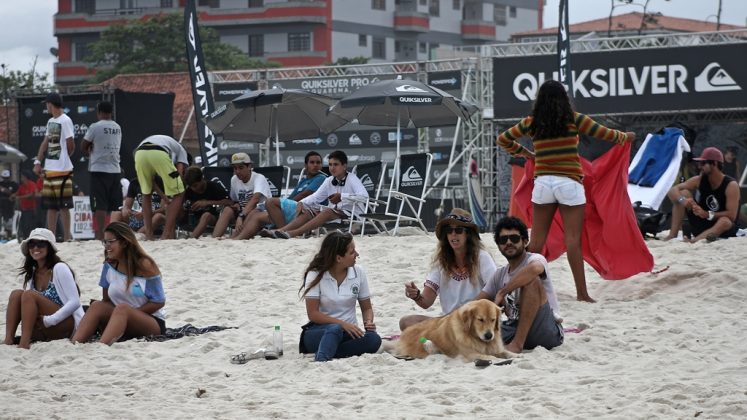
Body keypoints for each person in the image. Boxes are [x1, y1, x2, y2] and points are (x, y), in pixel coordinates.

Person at [495, 80, 635, 303]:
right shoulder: (575, 119)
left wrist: (525, 153)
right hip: (569, 184)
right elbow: (605, 134)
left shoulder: (532, 122)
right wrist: (625, 137)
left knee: (536, 243)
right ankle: (582, 293)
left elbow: (503, 139)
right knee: (573, 242)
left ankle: (515, 286)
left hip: (543, 185)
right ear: (564, 99)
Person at [475, 216, 563, 354]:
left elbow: (535, 269)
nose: (509, 242)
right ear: (498, 245)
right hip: (514, 327)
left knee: (532, 281)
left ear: (525, 241)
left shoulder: (535, 259)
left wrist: (503, 292)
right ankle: (428, 339)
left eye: (514, 238)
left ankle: (517, 344)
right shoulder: (499, 274)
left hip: (546, 329)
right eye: (503, 240)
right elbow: (476, 303)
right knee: (470, 336)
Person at [400, 208, 497, 330]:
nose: (453, 234)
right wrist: (416, 295)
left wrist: (464, 312)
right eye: (449, 230)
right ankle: (431, 343)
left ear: (468, 234)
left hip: (476, 320)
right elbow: (426, 302)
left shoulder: (482, 257)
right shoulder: (440, 262)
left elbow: (495, 290)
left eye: (458, 230)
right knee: (406, 322)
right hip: (449, 322)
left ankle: (432, 343)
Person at [72, 221, 167, 345]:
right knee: (97, 306)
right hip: (120, 317)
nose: (107, 246)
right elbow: (106, 299)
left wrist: (131, 314)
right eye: (105, 242)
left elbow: (158, 301)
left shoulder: (144, 265)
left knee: (122, 309)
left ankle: (102, 346)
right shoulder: (109, 265)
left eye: (110, 242)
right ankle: (75, 344)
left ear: (124, 242)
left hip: (150, 321)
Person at [298, 231, 381, 362]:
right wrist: (342, 324)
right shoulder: (315, 274)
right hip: (321, 331)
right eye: (352, 252)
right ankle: (322, 359)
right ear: (338, 258)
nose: (357, 255)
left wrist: (368, 322)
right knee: (335, 329)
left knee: (374, 339)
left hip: (349, 333)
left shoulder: (358, 272)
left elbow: (366, 308)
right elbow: (313, 314)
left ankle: (331, 352)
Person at [4, 228, 83, 349]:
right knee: (16, 294)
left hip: (66, 324)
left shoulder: (59, 268)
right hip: (44, 326)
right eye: (32, 244)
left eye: (41, 244)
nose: (35, 248)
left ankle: (24, 344)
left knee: (28, 295)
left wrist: (49, 320)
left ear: (49, 247)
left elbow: (75, 302)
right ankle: (8, 340)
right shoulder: (33, 272)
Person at [270, 150, 367, 239]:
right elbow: (316, 197)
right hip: (335, 214)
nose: (332, 168)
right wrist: (301, 203)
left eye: (335, 164)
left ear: (344, 166)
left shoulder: (352, 178)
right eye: (330, 165)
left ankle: (293, 233)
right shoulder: (329, 180)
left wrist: (342, 196)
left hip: (353, 215)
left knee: (327, 211)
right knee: (308, 211)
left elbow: (364, 197)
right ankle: (281, 231)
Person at [236, 151, 327, 240]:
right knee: (255, 213)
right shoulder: (303, 181)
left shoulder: (321, 178)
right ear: (306, 165)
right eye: (312, 162)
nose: (315, 165)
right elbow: (292, 197)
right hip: (294, 210)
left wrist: (283, 203)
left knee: (270, 201)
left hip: (306, 210)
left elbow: (305, 194)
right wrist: (283, 203)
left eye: (318, 163)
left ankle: (283, 232)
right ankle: (237, 238)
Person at [663, 147, 740, 242]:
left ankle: (694, 241)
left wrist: (707, 214)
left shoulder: (731, 185)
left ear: (714, 164)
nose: (700, 167)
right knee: (683, 193)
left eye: (703, 163)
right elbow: (672, 190)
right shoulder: (700, 179)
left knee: (725, 221)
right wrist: (684, 201)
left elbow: (732, 215)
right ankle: (672, 235)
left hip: (721, 226)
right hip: (702, 223)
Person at [34, 92, 76, 242]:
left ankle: (66, 238)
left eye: (47, 104)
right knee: (50, 206)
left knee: (64, 206)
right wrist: (38, 162)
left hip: (63, 169)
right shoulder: (51, 121)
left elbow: (71, 144)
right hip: (50, 169)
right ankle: (50, 238)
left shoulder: (66, 120)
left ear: (51, 104)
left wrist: (64, 158)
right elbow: (45, 142)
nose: (46, 107)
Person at [133, 134, 189, 240]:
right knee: (180, 193)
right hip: (158, 152)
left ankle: (149, 235)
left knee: (146, 193)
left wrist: (165, 198)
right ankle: (166, 234)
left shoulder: (165, 141)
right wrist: (174, 197)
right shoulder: (181, 150)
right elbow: (180, 174)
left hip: (139, 152)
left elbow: (152, 183)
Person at [81, 101, 123, 240]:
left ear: (99, 112)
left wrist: (89, 149)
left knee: (99, 205)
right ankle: (110, 234)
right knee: (112, 206)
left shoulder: (95, 126)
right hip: (115, 169)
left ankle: (99, 235)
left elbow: (83, 145)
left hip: (98, 169)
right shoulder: (117, 127)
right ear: (111, 112)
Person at [212, 153, 271, 238]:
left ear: (249, 167)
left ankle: (234, 239)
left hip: (260, 213)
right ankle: (215, 239)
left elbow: (255, 199)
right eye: (235, 168)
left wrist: (241, 216)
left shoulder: (259, 178)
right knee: (227, 210)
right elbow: (234, 200)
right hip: (243, 212)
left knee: (253, 212)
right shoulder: (234, 179)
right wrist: (235, 205)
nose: (237, 171)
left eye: (241, 167)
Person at [182, 166, 231, 238]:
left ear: (202, 179)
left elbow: (229, 202)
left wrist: (207, 202)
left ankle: (192, 238)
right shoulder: (189, 191)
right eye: (190, 186)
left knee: (206, 215)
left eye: (195, 185)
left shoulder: (214, 186)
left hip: (214, 218)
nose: (193, 189)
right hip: (195, 219)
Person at [13, 171, 40, 240]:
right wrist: (12, 196)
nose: (21, 178)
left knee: (29, 225)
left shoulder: (32, 184)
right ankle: (25, 237)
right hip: (24, 209)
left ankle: (30, 238)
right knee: (24, 225)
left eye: (22, 177)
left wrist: (19, 197)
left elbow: (31, 194)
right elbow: (17, 193)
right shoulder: (22, 186)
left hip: (31, 209)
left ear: (26, 177)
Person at [0, 169, 19, 238]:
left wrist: (4, 190)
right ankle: (3, 234)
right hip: (1, 204)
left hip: (10, 205)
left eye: (7, 178)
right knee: (2, 219)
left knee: (11, 220)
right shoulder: (0, 183)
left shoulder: (13, 184)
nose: (5, 179)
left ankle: (10, 235)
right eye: (4, 178)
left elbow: (16, 193)